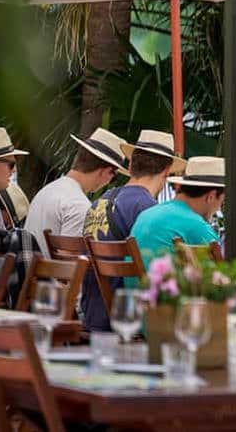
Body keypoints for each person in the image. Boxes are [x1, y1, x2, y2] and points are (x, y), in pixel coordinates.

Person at [81, 129, 185, 332]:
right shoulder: (148, 211)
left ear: (130, 165)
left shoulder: (99, 201)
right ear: (167, 171)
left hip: (92, 314)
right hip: (125, 318)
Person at [25, 128, 129, 256]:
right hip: (50, 275)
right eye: (114, 177)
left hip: (29, 274)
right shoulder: (78, 205)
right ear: (106, 171)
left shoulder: (46, 191)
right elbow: (68, 266)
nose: (110, 181)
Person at [130, 156, 225, 285]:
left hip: (133, 300)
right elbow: (223, 278)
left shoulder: (146, 214)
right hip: (168, 303)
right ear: (211, 196)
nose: (219, 207)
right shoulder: (197, 226)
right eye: (221, 201)